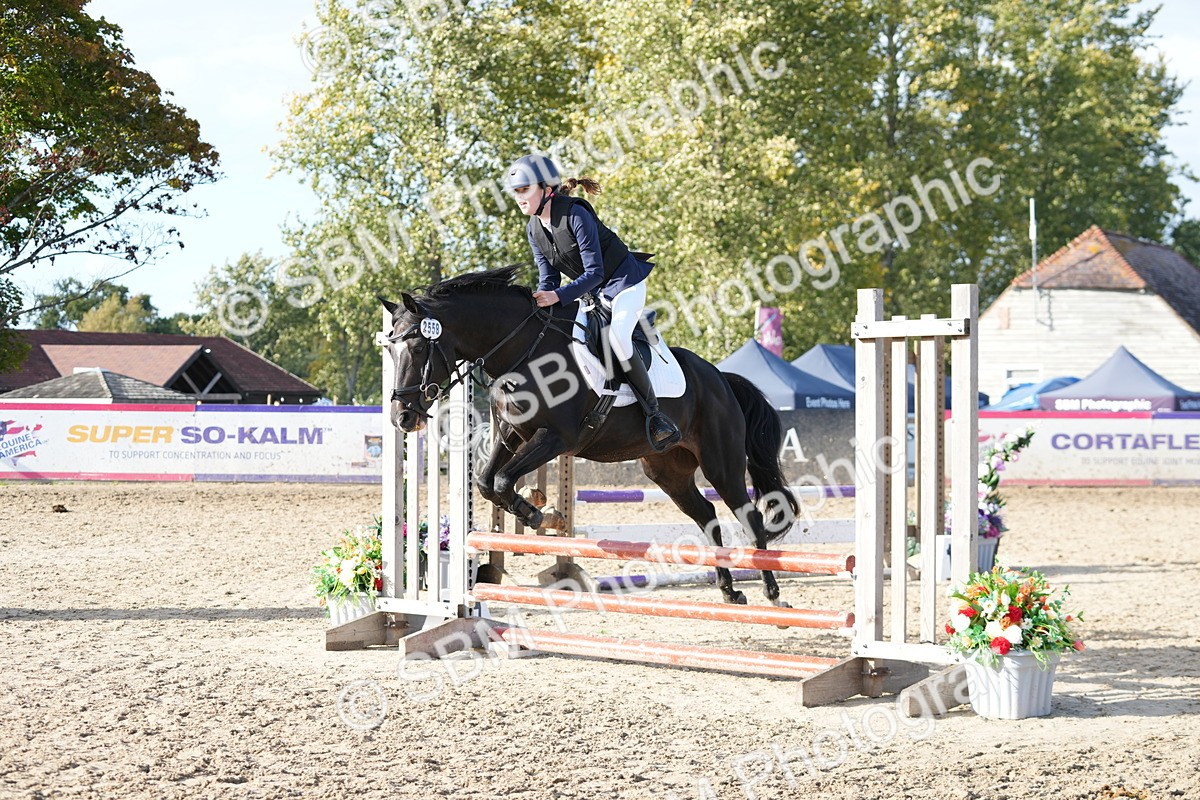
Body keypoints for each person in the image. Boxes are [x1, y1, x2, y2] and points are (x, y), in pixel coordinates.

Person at [506, 154, 681, 451]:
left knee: (616, 338)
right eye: (515, 192)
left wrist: (558, 296)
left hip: (624, 284)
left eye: (524, 190)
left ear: (546, 188)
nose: (518, 198)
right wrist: (539, 302)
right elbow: (548, 279)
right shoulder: (534, 228)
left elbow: (595, 272)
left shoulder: (575, 214)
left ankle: (655, 415)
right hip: (590, 294)